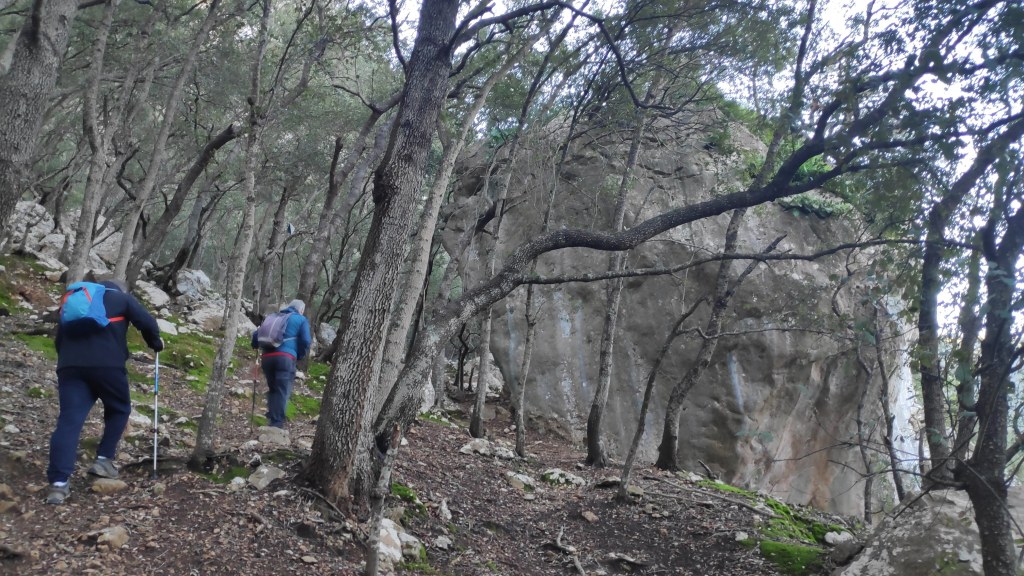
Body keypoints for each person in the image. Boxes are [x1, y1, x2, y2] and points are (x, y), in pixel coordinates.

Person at [46, 278, 163, 505]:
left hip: (70, 367)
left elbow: (59, 340)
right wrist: (155, 342)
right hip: (108, 366)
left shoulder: (76, 303)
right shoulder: (122, 298)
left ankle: (58, 484)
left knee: (69, 421)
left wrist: (70, 362)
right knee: (119, 409)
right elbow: (147, 323)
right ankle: (103, 460)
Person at [251, 299, 311, 429]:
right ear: (300, 310)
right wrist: (299, 354)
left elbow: (256, 336)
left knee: (273, 389)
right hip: (286, 358)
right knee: (282, 390)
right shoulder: (300, 319)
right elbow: (306, 341)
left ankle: (272, 418)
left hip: (267, 357)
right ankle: (276, 424)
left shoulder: (272, 317)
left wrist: (255, 345)